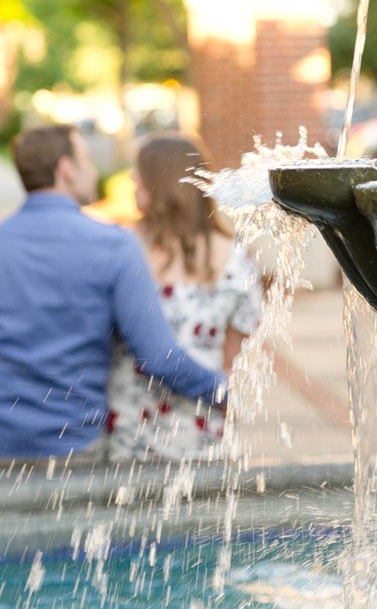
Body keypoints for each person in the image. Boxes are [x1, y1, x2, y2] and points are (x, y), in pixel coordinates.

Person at [0, 124, 227, 468]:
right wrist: (224, 392)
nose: (95, 171)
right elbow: (158, 358)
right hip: (66, 441)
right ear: (66, 169)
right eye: (86, 161)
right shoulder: (114, 245)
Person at [107, 131, 262, 462]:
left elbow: (233, 363)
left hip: (138, 427)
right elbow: (231, 366)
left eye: (139, 172)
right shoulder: (237, 260)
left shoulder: (123, 249)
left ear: (162, 182)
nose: (133, 179)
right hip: (188, 428)